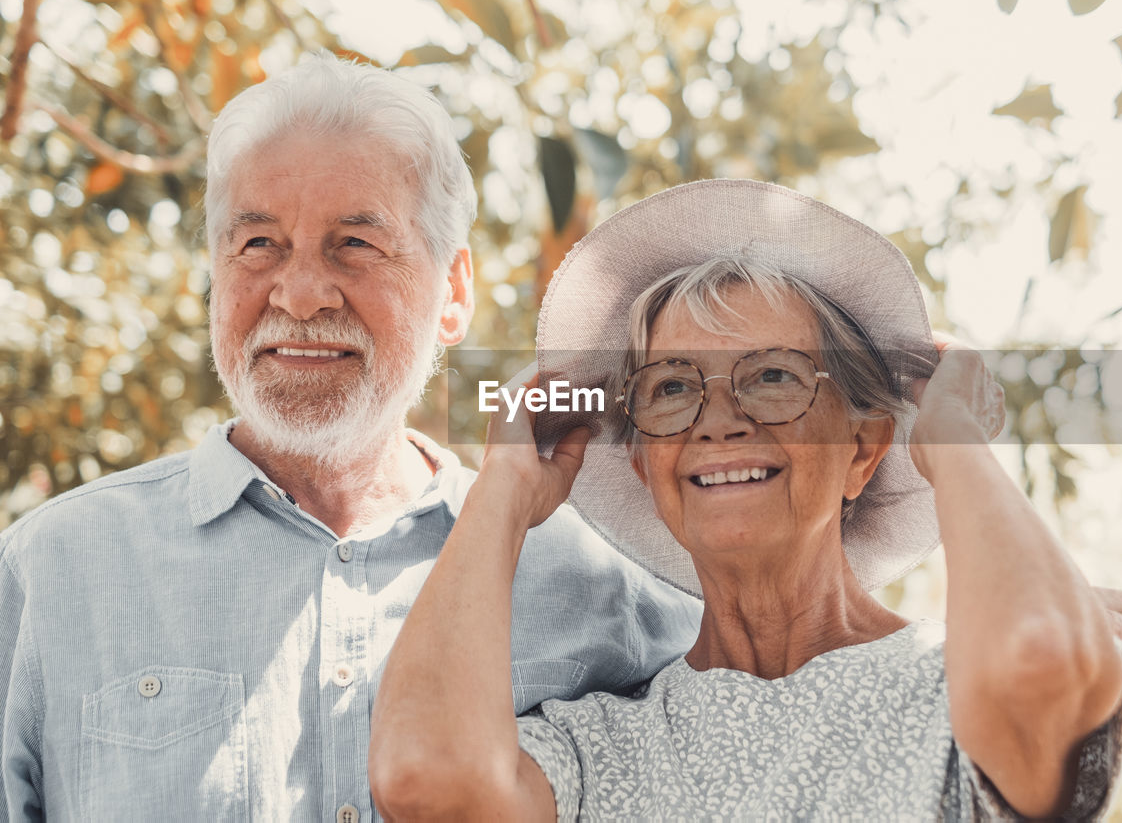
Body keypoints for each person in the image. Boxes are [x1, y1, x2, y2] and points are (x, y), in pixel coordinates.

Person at [0, 52, 701, 820]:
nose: (299, 295)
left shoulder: (599, 584)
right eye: (258, 244)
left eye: (356, 244)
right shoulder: (52, 571)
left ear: (454, 293)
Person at [370, 179, 1122, 820]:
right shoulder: (601, 745)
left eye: (773, 375)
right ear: (645, 463)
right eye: (673, 387)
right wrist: (504, 487)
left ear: (864, 448)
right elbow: (423, 777)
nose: (718, 418)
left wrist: (951, 436)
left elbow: (1044, 658)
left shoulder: (949, 689)